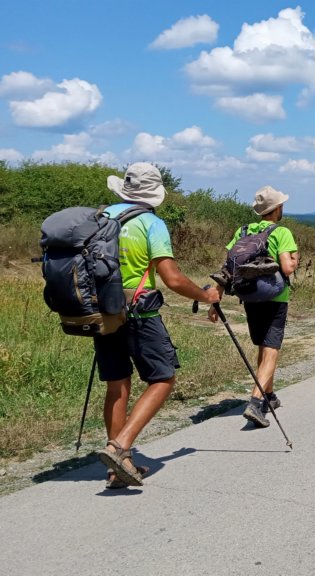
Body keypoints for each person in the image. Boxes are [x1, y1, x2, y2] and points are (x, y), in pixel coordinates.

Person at [96, 162, 220, 488]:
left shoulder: (101, 217)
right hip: (139, 314)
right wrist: (205, 295)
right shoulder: (151, 223)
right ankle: (119, 447)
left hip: (103, 313)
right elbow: (172, 279)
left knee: (117, 385)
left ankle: (119, 468)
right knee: (163, 378)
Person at [210, 185, 299, 428]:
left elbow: (228, 266)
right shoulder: (281, 232)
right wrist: (295, 258)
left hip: (250, 296)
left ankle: (269, 395)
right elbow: (287, 268)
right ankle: (256, 403)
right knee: (271, 349)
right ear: (277, 208)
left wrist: (216, 297)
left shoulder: (244, 231)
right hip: (275, 298)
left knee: (263, 345)